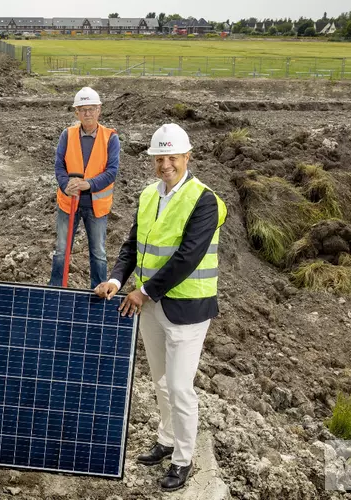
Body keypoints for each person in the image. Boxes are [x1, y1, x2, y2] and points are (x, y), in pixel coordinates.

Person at [94, 123, 227, 492]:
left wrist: (144, 292)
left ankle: (183, 459)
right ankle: (166, 439)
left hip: (187, 310)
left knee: (181, 387)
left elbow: (187, 257)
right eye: (159, 158)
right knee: (161, 382)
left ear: (188, 156)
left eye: (172, 157)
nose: (165, 164)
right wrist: (118, 281)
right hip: (151, 307)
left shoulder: (205, 201)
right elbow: (133, 244)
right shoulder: (150, 195)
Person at [49, 86, 120, 289]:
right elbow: (59, 165)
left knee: (98, 252)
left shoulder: (111, 138)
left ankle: (97, 290)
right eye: (83, 109)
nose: (87, 113)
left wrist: (89, 184)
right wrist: (65, 185)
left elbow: (111, 171)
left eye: (91, 109)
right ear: (76, 112)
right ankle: (55, 289)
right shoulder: (67, 135)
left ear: (99, 110)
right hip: (68, 202)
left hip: (96, 206)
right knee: (62, 250)